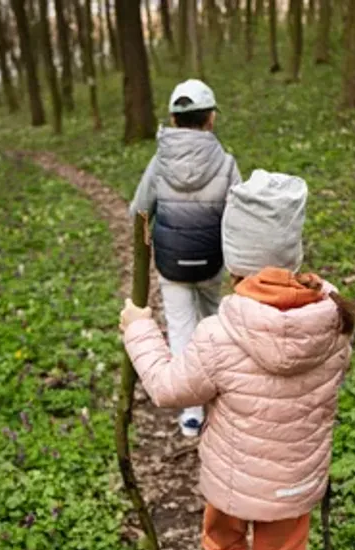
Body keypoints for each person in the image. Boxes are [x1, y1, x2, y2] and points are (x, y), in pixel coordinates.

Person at [119, 171, 355, 550]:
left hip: (234, 483)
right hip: (296, 481)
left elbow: (168, 388)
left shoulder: (220, 334)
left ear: (235, 257)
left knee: (223, 540)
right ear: (292, 251)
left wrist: (139, 329)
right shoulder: (334, 322)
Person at [129, 78, 241, 438]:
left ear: (174, 120)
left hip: (171, 264)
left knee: (181, 330)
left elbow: (138, 209)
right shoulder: (226, 163)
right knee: (214, 322)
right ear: (211, 118)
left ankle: (191, 413)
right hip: (212, 261)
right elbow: (238, 215)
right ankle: (221, 396)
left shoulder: (159, 163)